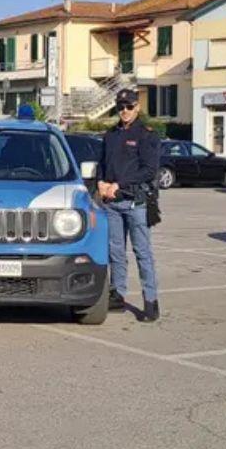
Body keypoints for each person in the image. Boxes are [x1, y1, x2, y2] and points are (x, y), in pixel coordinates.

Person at [97, 89, 161, 322]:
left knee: (142, 252)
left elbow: (149, 170)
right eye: (120, 107)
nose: (124, 111)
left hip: (135, 202)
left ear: (138, 107)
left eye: (129, 106)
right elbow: (102, 163)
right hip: (112, 203)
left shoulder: (146, 135)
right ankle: (118, 295)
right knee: (115, 252)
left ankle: (151, 301)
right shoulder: (111, 134)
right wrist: (101, 182)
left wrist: (119, 184)